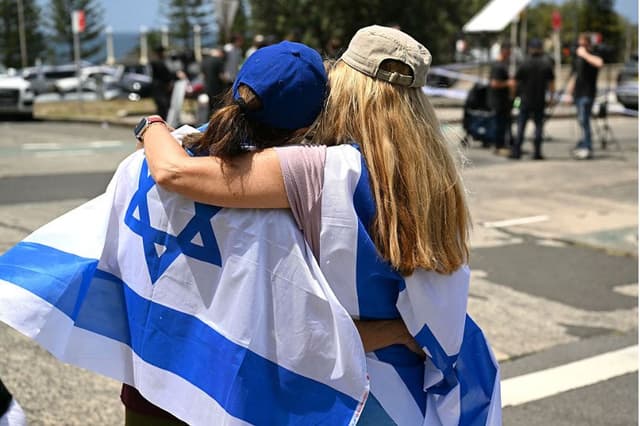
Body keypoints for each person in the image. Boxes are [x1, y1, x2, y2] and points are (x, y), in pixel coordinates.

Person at [141, 25, 501, 425]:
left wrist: (152, 125)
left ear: (347, 85)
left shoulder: (321, 170)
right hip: (412, 392)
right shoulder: (437, 181)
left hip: (342, 393)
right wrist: (402, 333)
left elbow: (175, 172)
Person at [510, 38, 555, 160]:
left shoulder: (524, 63)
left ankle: (516, 151)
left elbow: (514, 81)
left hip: (525, 100)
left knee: (521, 126)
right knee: (539, 127)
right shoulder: (546, 64)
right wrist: (551, 99)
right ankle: (537, 152)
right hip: (539, 100)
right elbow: (551, 84)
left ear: (530, 49)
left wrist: (513, 96)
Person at [566, 33, 604, 160]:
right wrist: (569, 93)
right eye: (579, 44)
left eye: (583, 44)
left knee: (585, 120)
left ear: (588, 44)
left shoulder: (592, 55)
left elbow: (599, 63)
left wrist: (585, 55)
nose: (580, 47)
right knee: (581, 121)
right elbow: (574, 75)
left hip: (588, 93)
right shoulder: (577, 58)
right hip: (578, 93)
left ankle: (587, 147)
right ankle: (583, 143)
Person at [489, 42, 515, 155]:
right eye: (509, 52)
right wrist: (508, 83)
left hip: (503, 101)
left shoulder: (502, 65)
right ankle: (498, 145)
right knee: (499, 124)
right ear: (504, 51)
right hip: (499, 101)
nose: (510, 54)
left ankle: (503, 144)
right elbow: (494, 83)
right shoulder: (498, 66)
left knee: (504, 124)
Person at [149, 46, 186, 120]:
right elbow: (165, 75)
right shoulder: (158, 62)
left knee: (162, 107)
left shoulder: (157, 61)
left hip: (158, 87)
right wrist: (176, 75)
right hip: (160, 87)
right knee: (163, 106)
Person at [200, 47, 226, 114]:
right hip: (217, 89)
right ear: (220, 53)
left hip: (207, 87)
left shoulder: (204, 61)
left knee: (209, 108)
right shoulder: (219, 61)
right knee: (218, 108)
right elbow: (221, 76)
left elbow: (203, 75)